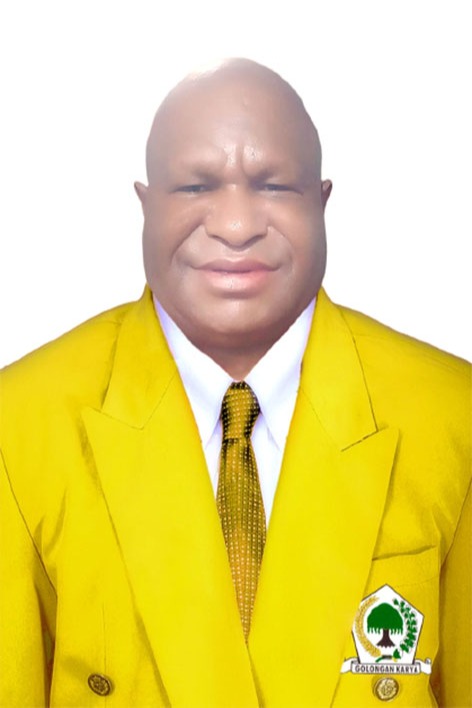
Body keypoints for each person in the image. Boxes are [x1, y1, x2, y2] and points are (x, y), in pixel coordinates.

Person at [0, 58, 470, 708]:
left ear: (322, 201)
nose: (237, 225)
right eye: (196, 187)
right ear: (145, 205)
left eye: (274, 186)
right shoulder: (20, 423)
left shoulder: (452, 414)